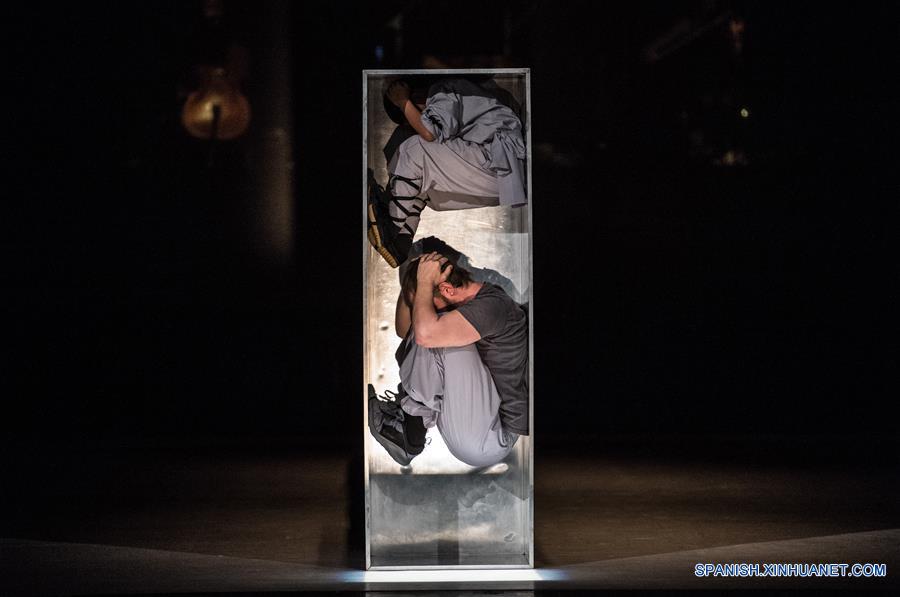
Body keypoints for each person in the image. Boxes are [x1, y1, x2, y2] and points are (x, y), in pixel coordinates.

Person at [368, 245, 529, 468]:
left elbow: (424, 334)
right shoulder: (476, 304)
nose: (421, 310)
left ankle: (409, 430)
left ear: (446, 289)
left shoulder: (492, 307)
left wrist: (424, 282)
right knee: (428, 328)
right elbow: (405, 330)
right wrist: (412, 267)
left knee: (434, 332)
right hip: (475, 427)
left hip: (492, 434)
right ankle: (409, 427)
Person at [367, 78, 527, 268]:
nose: (414, 124)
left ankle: (391, 228)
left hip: (503, 159)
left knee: (415, 149)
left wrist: (403, 101)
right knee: (420, 183)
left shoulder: (442, 90)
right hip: (504, 175)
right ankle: (400, 243)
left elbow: (429, 133)